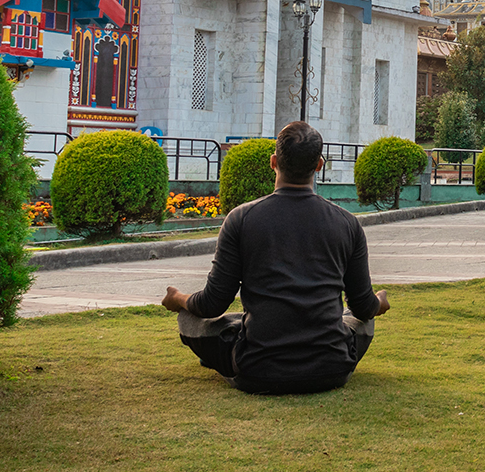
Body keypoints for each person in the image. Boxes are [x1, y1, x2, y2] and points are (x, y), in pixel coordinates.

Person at [161, 121, 390, 394]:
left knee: (191, 319)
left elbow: (212, 304)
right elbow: (363, 307)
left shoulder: (241, 219)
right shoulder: (347, 223)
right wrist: (379, 302)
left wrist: (178, 299)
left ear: (273, 162)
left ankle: (220, 353)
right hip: (331, 367)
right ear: (319, 165)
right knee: (361, 320)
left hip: (258, 370)